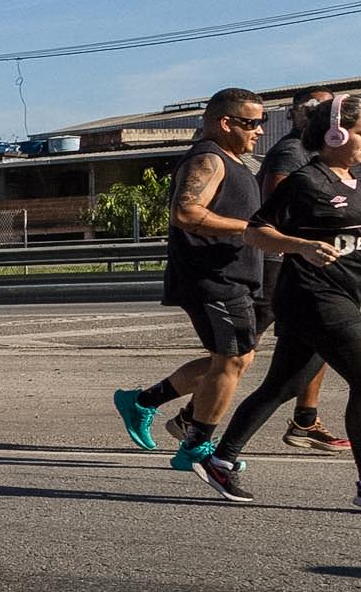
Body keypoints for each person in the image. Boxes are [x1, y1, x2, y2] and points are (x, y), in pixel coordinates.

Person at [193, 94, 361, 507]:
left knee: (283, 386)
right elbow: (256, 231)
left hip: (340, 293)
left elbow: (360, 243)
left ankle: (221, 461)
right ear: (335, 134)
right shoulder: (306, 181)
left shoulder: (359, 183)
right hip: (312, 297)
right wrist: (300, 245)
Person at [110, 88, 270, 468]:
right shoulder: (208, 159)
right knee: (232, 361)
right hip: (213, 278)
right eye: (252, 122)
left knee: (233, 360)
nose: (260, 130)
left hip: (231, 277)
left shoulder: (236, 162)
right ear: (226, 122)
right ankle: (196, 446)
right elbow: (186, 212)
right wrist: (247, 230)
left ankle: (143, 402)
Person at [255, 86, 351, 454]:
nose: (321, 114)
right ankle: (177, 409)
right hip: (281, 263)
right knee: (237, 355)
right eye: (312, 107)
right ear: (296, 113)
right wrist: (302, 243)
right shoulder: (291, 151)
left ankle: (305, 421)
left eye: (329, 108)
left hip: (305, 262)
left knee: (314, 342)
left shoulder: (316, 154)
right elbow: (273, 206)